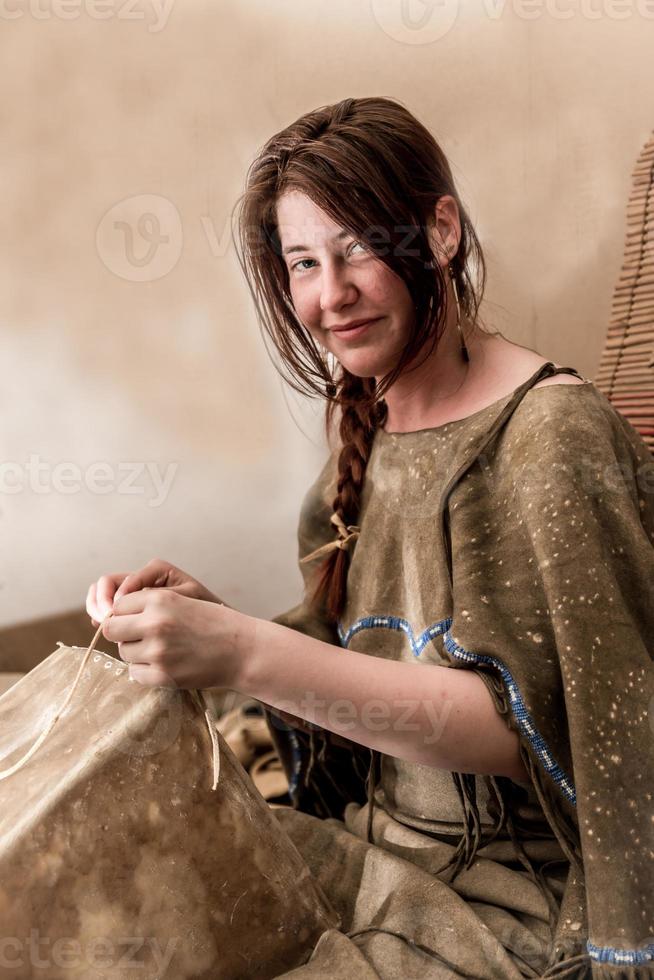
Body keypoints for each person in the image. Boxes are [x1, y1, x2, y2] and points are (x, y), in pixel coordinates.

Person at [86, 97, 653, 978]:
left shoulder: (551, 438)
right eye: (303, 261)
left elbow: (554, 731)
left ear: (441, 231)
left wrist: (243, 653)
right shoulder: (369, 423)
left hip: (509, 905)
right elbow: (362, 661)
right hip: (376, 858)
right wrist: (215, 624)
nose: (329, 294)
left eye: (355, 247)